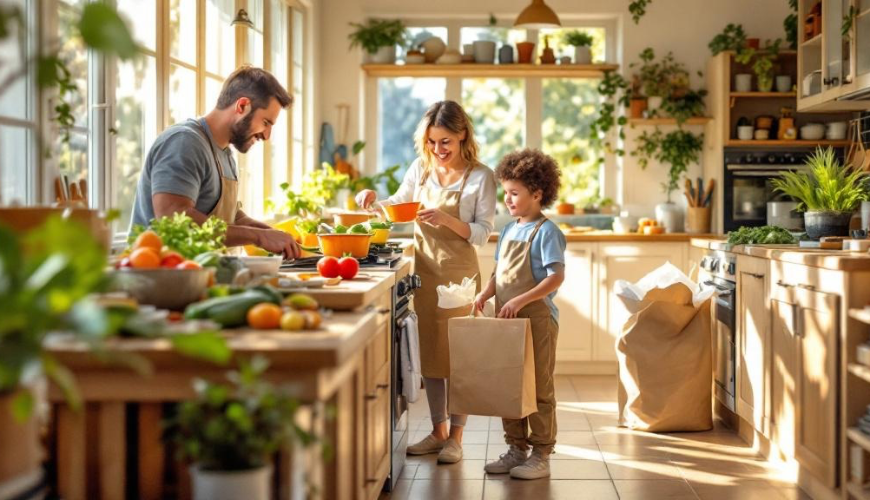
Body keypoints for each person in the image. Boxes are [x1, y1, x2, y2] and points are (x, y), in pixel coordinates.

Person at [355, 100, 496, 464]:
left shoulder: (481, 177)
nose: (439, 150)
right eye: (432, 142)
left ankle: (457, 438)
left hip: (460, 276)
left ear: (463, 135)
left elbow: (482, 233)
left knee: (459, 356)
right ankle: (438, 431)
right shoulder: (421, 169)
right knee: (432, 353)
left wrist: (447, 221)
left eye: (446, 142)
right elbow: (399, 204)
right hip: (427, 272)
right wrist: (372, 201)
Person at [131, 65, 300, 259]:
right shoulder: (184, 142)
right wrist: (258, 237)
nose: (267, 135)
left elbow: (230, 216)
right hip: (161, 277)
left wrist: (269, 233)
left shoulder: (225, 153)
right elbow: (173, 216)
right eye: (266, 122)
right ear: (242, 106)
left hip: (200, 275)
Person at [474, 149, 566, 480]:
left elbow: (555, 277)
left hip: (538, 320)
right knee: (509, 385)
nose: (507, 199)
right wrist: (486, 294)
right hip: (507, 320)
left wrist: (521, 301)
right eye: (506, 193)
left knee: (539, 387)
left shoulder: (547, 232)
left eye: (514, 193)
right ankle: (516, 449)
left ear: (537, 194)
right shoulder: (511, 229)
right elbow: (500, 272)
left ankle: (541, 453)